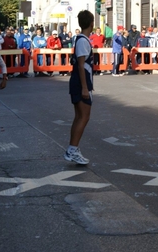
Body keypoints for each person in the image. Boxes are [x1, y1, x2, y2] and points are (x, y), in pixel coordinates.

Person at [64, 10, 94, 165]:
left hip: (80, 82)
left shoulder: (81, 40)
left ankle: (72, 148)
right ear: (91, 23)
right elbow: (81, 66)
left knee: (79, 117)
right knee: (84, 116)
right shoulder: (83, 41)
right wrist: (84, 87)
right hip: (80, 83)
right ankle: (73, 149)